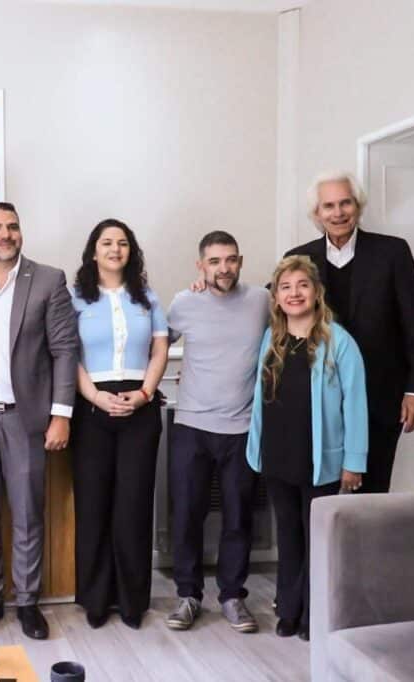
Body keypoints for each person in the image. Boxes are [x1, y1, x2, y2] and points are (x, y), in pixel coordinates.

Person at [0, 202, 79, 640]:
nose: (5, 234)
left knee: (28, 514)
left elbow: (64, 350)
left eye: (12, 227)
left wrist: (61, 415)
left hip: (27, 419)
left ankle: (27, 602)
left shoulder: (48, 280)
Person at [286, 171, 414, 493]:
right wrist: (208, 290)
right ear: (317, 213)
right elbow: (274, 307)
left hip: (380, 398)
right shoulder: (299, 259)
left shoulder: (393, 252)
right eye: (329, 206)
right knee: (320, 498)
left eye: (346, 203)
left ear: (358, 206)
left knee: (372, 497)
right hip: (318, 401)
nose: (338, 213)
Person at [246, 255, 368, 641]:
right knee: (288, 537)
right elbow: (259, 399)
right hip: (277, 454)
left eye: (302, 285)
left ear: (317, 292)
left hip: (320, 460)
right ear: (276, 297)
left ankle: (313, 615)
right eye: (285, 287)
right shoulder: (271, 339)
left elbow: (356, 405)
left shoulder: (339, 342)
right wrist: (256, 449)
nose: (294, 293)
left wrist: (354, 462)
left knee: (317, 539)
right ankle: (289, 609)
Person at [164, 230, 270, 633]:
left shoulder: (261, 300)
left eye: (230, 260)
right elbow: (154, 344)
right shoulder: (183, 302)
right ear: (200, 266)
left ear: (240, 261)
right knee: (186, 514)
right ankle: (188, 595)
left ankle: (232, 596)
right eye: (214, 261)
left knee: (238, 516)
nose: (223, 268)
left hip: (242, 428)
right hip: (191, 425)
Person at [70, 219, 169, 630]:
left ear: (131, 251)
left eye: (123, 243)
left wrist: (144, 393)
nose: (115, 249)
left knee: (133, 507)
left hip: (139, 408)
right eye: (107, 242)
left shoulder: (148, 297)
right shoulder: (74, 298)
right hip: (91, 408)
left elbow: (160, 349)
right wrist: (95, 396)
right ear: (93, 251)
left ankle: (132, 601)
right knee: (93, 506)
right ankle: (96, 600)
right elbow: (67, 354)